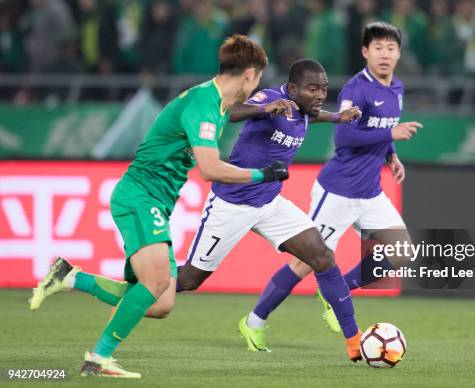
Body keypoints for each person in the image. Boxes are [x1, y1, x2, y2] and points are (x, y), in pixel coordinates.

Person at [29, 34, 285, 378]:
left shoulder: (215, 104)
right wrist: (262, 174)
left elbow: (222, 127)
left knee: (160, 301)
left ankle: (70, 277)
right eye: (259, 80)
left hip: (156, 203)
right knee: (154, 283)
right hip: (140, 196)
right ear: (250, 75)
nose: (258, 87)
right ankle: (98, 358)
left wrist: (262, 109)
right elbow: (209, 168)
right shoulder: (204, 106)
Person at [240, 22, 421, 348]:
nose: (385, 55)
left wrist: (391, 154)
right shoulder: (356, 88)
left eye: (391, 49)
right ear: (365, 52)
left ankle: (338, 288)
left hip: (370, 191)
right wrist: (390, 136)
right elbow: (344, 134)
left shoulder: (397, 89)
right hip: (338, 191)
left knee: (402, 251)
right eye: (378, 48)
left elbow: (383, 128)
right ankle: (254, 321)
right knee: (304, 263)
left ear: (398, 53)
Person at [174, 58, 365, 362]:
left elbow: (308, 116)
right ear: (292, 88)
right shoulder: (271, 99)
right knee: (187, 281)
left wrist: (337, 117)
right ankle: (139, 285)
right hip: (232, 203)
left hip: (270, 203)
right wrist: (263, 109)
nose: (319, 94)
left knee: (323, 256)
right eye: (312, 88)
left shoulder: (302, 109)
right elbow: (228, 112)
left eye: (323, 89)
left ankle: (356, 345)